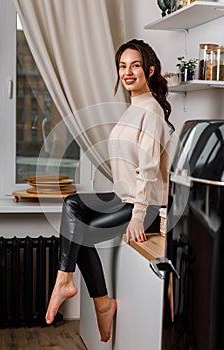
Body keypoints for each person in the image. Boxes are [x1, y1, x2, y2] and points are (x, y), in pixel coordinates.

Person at [45, 38, 174, 343]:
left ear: (150, 70)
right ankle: (80, 289)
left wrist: (139, 216)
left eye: (135, 65)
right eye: (122, 66)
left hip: (144, 208)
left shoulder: (151, 111)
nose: (127, 72)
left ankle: (94, 298)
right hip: (123, 198)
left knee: (80, 230)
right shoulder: (133, 108)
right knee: (72, 205)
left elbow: (148, 170)